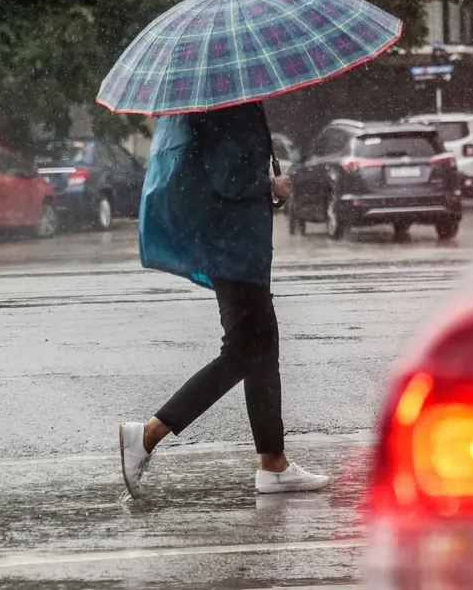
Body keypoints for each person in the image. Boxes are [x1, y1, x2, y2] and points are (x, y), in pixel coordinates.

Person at [119, 101, 330, 498]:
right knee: (244, 351)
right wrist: (269, 185)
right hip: (233, 246)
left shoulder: (218, 102)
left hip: (232, 244)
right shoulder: (228, 106)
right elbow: (227, 177)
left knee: (262, 347)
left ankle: (273, 463)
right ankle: (148, 434)